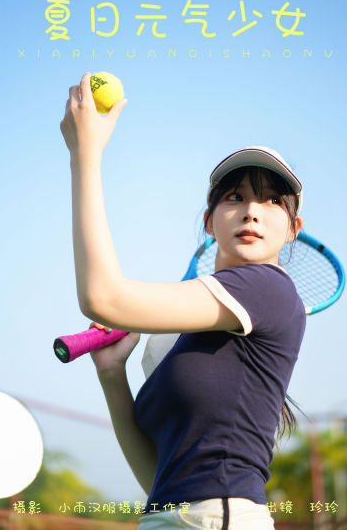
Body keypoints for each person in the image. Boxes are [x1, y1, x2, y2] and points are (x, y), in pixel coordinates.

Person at [60, 72, 306, 529]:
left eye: (272, 201)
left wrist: (85, 153)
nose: (252, 209)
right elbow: (159, 480)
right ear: (211, 222)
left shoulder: (269, 288)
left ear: (293, 228)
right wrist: (113, 374)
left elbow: (102, 296)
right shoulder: (180, 339)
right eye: (235, 196)